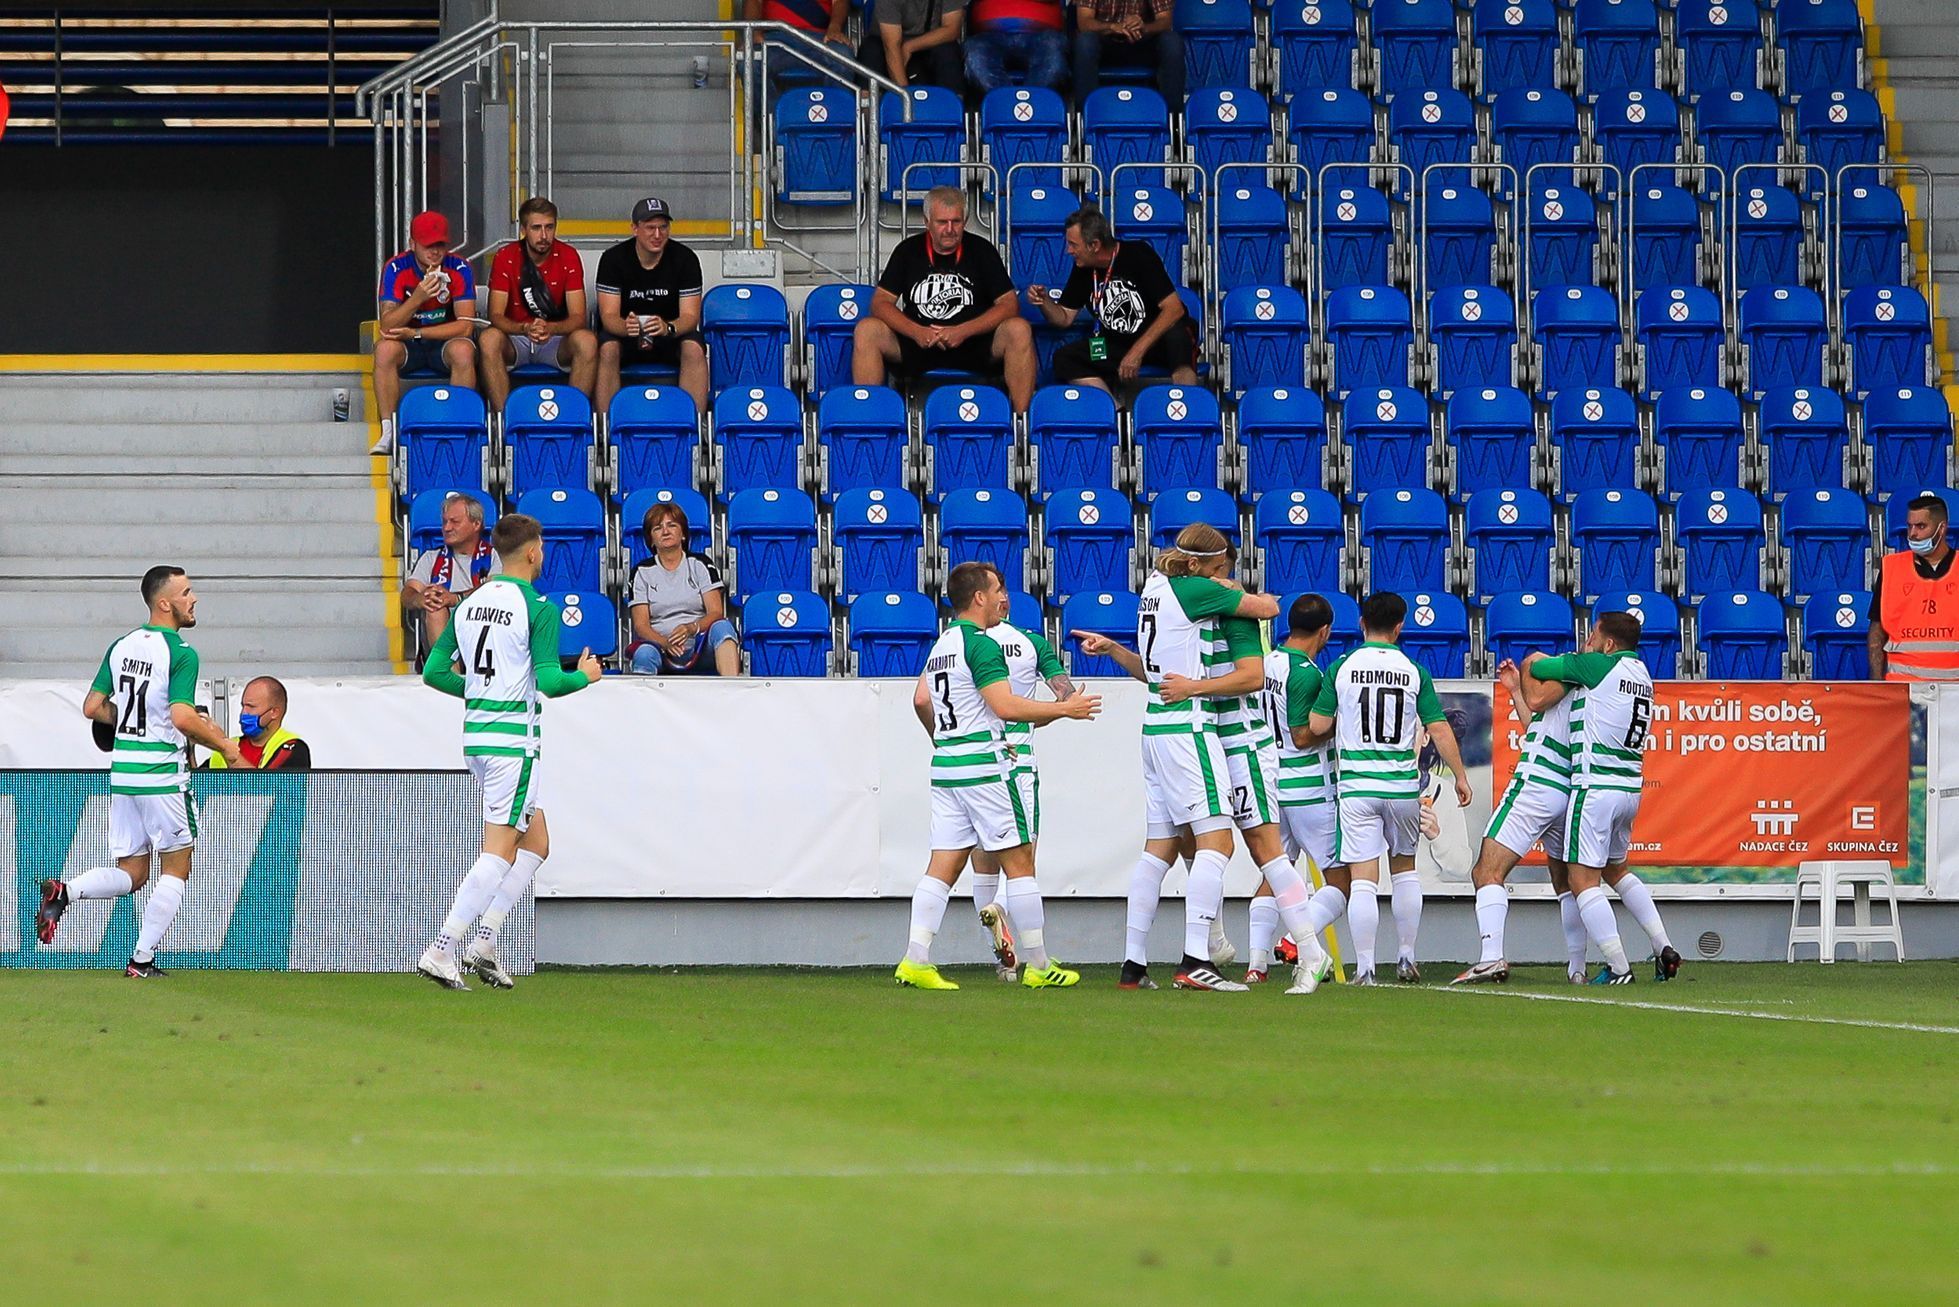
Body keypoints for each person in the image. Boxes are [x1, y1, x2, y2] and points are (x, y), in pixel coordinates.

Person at [36, 566, 254, 976]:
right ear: (165, 603)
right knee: (177, 867)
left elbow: (92, 708)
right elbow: (183, 717)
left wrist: (130, 719)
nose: (195, 599)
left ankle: (67, 891)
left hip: (123, 774)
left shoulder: (121, 645)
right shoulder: (182, 652)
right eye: (187, 592)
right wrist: (226, 745)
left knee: (133, 874)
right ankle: (141, 960)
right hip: (160, 772)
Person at [417, 513, 602, 990]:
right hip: (513, 744)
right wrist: (588, 675)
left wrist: (482, 692)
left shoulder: (470, 603)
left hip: (477, 738)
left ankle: (486, 940)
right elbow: (554, 683)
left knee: (536, 842)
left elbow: (434, 674)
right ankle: (442, 947)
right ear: (534, 551)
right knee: (498, 851)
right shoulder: (539, 608)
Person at [895, 561, 1100, 990]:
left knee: (942, 867)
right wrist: (1066, 708)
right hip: (989, 767)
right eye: (996, 590)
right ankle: (1039, 965)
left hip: (948, 765)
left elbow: (919, 701)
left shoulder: (942, 644)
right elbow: (1006, 708)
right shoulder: (982, 645)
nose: (1002, 597)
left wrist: (949, 743)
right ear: (980, 598)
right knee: (1020, 863)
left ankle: (915, 958)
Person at [1298, 591, 1473, 985]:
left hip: (1358, 787)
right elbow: (1440, 728)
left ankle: (1365, 969)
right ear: (1399, 627)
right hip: (1402, 786)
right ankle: (1407, 958)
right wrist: (1460, 776)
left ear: (1361, 624)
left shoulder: (1342, 667)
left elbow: (1320, 725)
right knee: (1405, 872)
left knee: (1363, 879)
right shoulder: (1413, 670)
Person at [1516, 612, 1657, 986]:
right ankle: (1664, 948)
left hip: (1596, 787)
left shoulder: (1596, 666)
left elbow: (1541, 667)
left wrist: (1530, 661)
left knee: (1580, 880)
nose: (1589, 640)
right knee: (1618, 870)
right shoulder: (1642, 675)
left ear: (1608, 643)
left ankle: (1620, 967)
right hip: (1630, 787)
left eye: (1593, 634)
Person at [854, 185, 1037, 411]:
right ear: (927, 221)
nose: (950, 229)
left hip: (972, 343)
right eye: (942, 222)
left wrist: (963, 330)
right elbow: (880, 303)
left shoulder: (982, 250)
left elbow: (1009, 305)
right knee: (867, 329)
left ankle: (1022, 424)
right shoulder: (907, 251)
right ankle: (869, 420)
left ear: (965, 220)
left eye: (956, 222)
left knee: (1019, 329)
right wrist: (916, 332)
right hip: (920, 342)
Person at [968, 611, 1076, 982]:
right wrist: (1037, 714)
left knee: (983, 856)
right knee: (1022, 859)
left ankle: (1003, 962)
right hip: (1019, 757)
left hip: (976, 759)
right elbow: (1066, 695)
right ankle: (1023, 942)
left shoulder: (964, 643)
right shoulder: (1033, 643)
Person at [1024, 204, 1196, 394]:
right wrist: (1044, 301)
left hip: (1156, 340)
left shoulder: (1138, 254)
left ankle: (1187, 413)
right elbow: (1064, 317)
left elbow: (1174, 309)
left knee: (1178, 338)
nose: (1068, 251)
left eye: (1073, 245)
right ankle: (1115, 413)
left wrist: (1136, 352)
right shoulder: (1083, 267)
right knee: (1065, 358)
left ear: (1094, 245)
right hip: (1117, 344)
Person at [1259, 593, 1337, 976]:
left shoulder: (1264, 663)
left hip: (1272, 782)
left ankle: (1255, 965)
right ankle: (1294, 942)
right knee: (1342, 881)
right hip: (1308, 787)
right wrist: (1340, 723)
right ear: (1324, 631)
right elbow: (1304, 735)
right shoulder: (1306, 672)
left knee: (1275, 874)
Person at [372, 210, 478, 455]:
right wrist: (418, 298)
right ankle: (388, 430)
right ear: (412, 244)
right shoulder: (396, 267)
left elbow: (465, 325)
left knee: (463, 350)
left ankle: (456, 424)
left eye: (440, 245)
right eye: (428, 245)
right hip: (406, 346)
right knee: (384, 349)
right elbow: (387, 326)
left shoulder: (459, 267)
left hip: (442, 343)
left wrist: (417, 334)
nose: (435, 252)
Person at [480, 196, 598, 412]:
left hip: (556, 338)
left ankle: (573, 420)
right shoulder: (505, 256)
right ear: (523, 229)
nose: (544, 236)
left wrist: (551, 328)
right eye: (536, 228)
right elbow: (495, 316)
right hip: (516, 338)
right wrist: (524, 328)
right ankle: (505, 422)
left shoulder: (568, 255)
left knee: (587, 340)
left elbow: (578, 317)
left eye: (549, 227)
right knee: (488, 338)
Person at [596, 197, 708, 414]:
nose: (658, 235)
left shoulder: (686, 259)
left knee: (694, 348)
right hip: (626, 336)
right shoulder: (613, 259)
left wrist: (668, 327)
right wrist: (625, 327)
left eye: (663, 227)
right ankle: (606, 427)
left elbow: (690, 316)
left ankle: (693, 426)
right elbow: (608, 316)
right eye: (650, 228)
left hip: (669, 336)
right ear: (635, 229)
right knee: (607, 348)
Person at [627, 501, 741, 677]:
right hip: (661, 648)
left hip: (700, 645)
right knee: (643, 654)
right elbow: (641, 625)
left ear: (683, 534)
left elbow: (716, 612)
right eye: (658, 528)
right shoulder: (641, 572)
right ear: (651, 539)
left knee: (723, 628)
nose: (665, 531)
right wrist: (665, 643)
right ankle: (642, 704)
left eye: (672, 525)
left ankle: (732, 691)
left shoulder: (701, 564)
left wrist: (691, 628)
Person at [1869, 492, 1956, 681]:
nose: (1912, 534)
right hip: (1904, 689)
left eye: (1921, 526)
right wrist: (1876, 685)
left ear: (1941, 529)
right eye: (1909, 526)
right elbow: (1877, 632)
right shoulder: (1891, 568)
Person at [403, 491, 499, 654]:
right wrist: (419, 599)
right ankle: (449, 676)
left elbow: (496, 591)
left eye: (454, 522)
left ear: (476, 524)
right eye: (444, 522)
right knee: (435, 607)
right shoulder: (431, 558)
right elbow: (407, 593)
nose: (446, 528)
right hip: (443, 632)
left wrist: (456, 598)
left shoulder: (495, 556)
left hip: (485, 629)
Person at [1071, 0, 1182, 111]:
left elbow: (1165, 21)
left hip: (1141, 42)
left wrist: (1143, 27)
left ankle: (1173, 117)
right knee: (1085, 42)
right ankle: (1085, 115)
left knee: (1171, 42)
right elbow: (1084, 22)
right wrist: (1113, 27)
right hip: (1105, 44)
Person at [204, 676, 310, 771]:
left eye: (251, 707)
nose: (243, 713)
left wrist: (225, 746)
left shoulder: (292, 747)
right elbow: (194, 786)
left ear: (274, 712)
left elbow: (266, 789)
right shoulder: (232, 744)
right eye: (243, 706)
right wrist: (190, 748)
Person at [964, 0, 1067, 97]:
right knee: (975, 54)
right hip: (988, 37)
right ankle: (1006, 104)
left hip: (1042, 35)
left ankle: (1032, 105)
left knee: (1053, 53)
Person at [870, 0, 967, 94]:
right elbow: (891, 46)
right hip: (890, 42)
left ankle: (953, 104)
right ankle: (865, 105)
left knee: (948, 50)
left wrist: (909, 47)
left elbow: (952, 29)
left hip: (931, 41)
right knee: (871, 50)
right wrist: (907, 100)